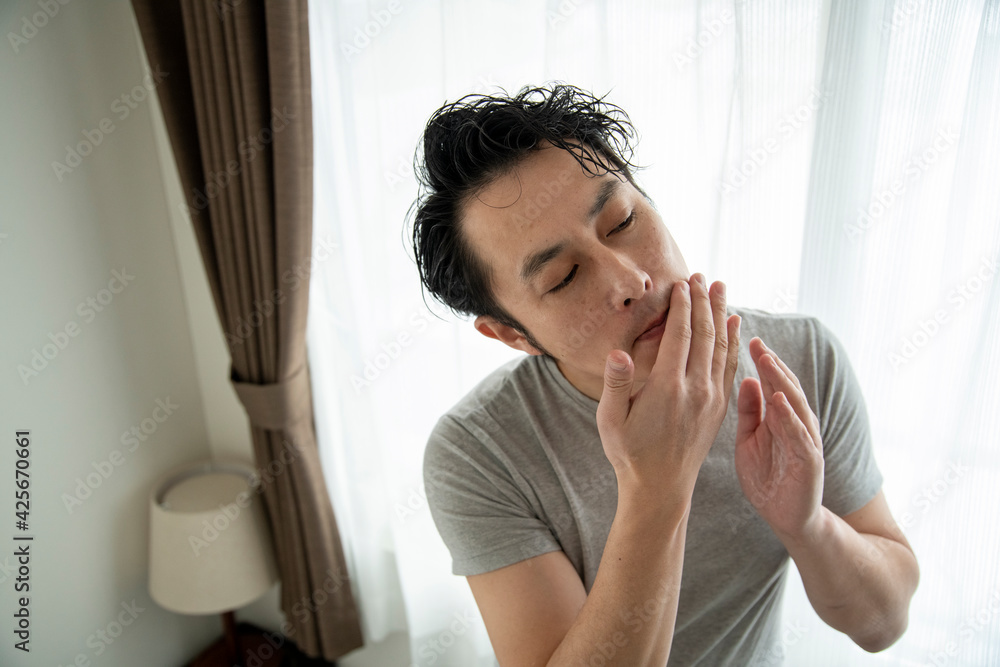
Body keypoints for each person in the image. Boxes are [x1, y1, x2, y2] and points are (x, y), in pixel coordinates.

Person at [407, 84, 919, 666]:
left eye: (623, 221)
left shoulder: (798, 358)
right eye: (564, 277)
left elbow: (884, 624)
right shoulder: (477, 452)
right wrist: (657, 485)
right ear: (512, 335)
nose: (631, 282)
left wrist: (807, 525)